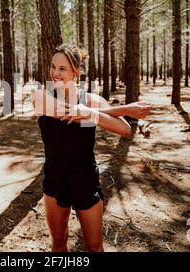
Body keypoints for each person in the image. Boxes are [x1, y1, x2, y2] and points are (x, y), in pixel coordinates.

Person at [32, 44, 152, 252]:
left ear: (76, 71)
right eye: (53, 67)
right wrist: (125, 108)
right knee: (59, 242)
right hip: (55, 177)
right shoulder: (42, 97)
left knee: (94, 246)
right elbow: (68, 112)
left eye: (62, 69)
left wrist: (90, 112)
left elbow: (124, 129)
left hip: (85, 178)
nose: (55, 73)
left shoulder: (91, 100)